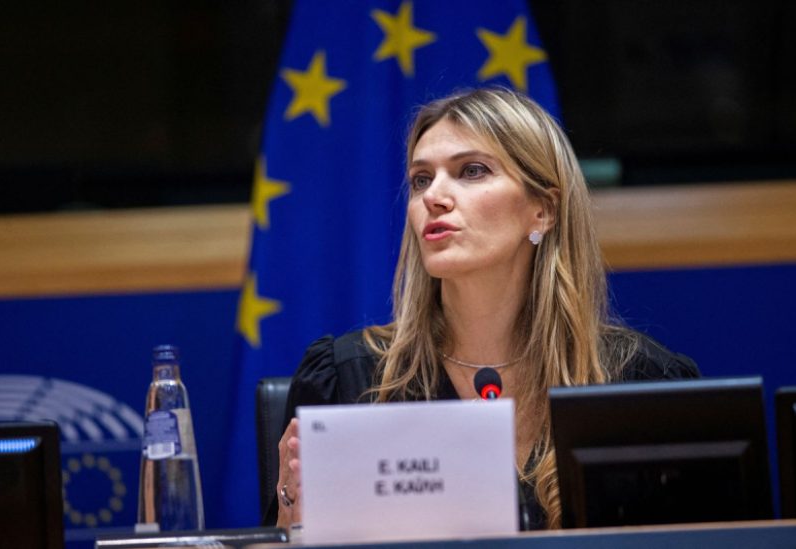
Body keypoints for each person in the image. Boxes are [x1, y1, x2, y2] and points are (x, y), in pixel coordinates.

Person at [271, 87, 699, 529]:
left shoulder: (639, 384)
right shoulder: (348, 379)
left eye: (471, 171)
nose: (433, 196)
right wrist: (291, 511)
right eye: (421, 179)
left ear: (543, 211)